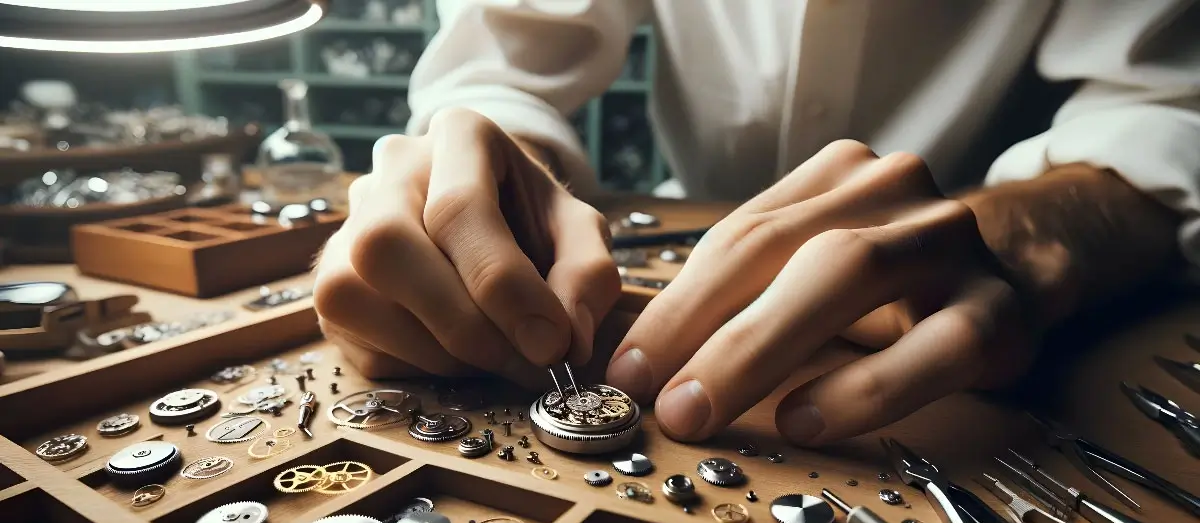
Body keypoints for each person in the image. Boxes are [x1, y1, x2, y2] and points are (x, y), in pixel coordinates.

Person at [313, 1, 1198, 447]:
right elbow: (505, 60)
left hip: (981, 323)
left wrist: (1034, 231)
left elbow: (1173, 98)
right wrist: (483, 181)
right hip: (677, 267)